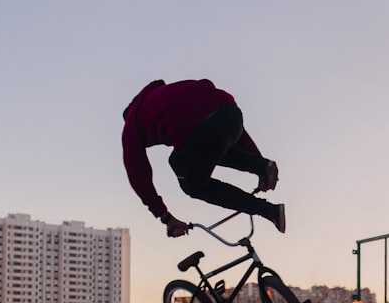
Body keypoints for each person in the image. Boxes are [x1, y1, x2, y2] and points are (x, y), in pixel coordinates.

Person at [121, 79, 285, 238]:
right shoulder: (161, 96)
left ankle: (267, 210)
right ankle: (267, 188)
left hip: (202, 127)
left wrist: (165, 217)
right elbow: (228, 128)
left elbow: (138, 176)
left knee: (190, 179)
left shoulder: (132, 124)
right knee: (205, 148)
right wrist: (261, 166)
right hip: (230, 111)